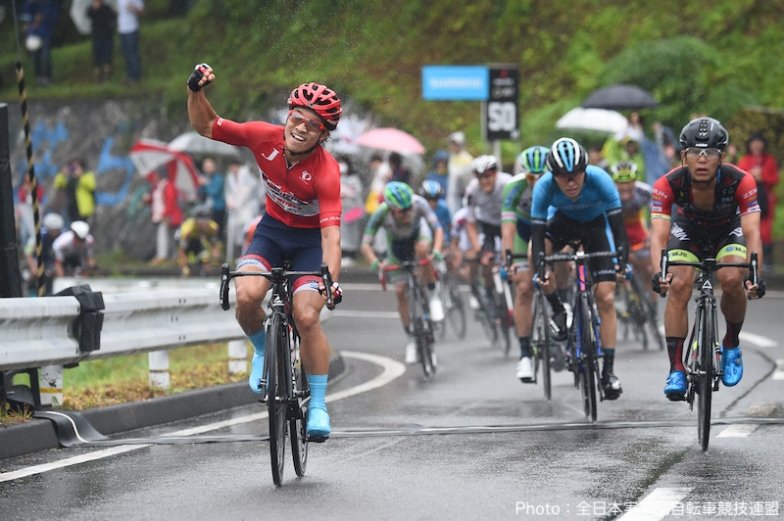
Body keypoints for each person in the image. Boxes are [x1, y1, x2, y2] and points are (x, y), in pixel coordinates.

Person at [187, 65, 344, 439]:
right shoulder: (263, 137)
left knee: (306, 316)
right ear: (288, 115)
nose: (301, 127)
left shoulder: (326, 172)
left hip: (309, 244)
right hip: (271, 233)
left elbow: (331, 238)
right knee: (247, 294)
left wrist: (329, 281)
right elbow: (208, 127)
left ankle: (318, 406)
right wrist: (195, 92)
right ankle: (261, 350)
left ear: (322, 135)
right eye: (298, 118)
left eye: (313, 125)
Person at [650, 118, 765, 400]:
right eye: (694, 152)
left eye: (710, 153)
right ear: (683, 156)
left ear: (722, 157)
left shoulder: (741, 180)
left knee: (731, 277)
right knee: (678, 283)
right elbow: (658, 236)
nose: (702, 160)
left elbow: (752, 233)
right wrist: (659, 273)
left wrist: (754, 275)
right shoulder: (668, 184)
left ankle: (730, 343)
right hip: (688, 231)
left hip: (728, 231)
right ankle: (676, 367)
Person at [530, 137, 629, 400]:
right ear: (553, 175)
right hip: (563, 224)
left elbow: (618, 229)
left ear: (585, 170)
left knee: (606, 298)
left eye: (575, 175)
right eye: (562, 176)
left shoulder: (601, 180)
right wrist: (541, 269)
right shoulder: (543, 188)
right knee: (534, 253)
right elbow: (539, 235)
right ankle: (558, 309)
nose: (570, 182)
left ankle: (608, 372)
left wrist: (622, 262)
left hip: (596, 227)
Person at [360, 182, 444, 364]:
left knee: (423, 251)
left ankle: (432, 293)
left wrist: (436, 250)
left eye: (408, 209)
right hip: (396, 247)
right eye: (401, 211)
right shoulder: (381, 213)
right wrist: (375, 262)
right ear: (391, 210)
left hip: (418, 237)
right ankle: (411, 339)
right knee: (400, 291)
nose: (407, 213)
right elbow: (365, 244)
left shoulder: (419, 203)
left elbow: (437, 228)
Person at [501, 146, 549, 382]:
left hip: (551, 229)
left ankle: (566, 308)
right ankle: (525, 355)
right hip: (524, 232)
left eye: (542, 177)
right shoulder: (514, 188)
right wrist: (509, 259)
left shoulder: (559, 184)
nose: (537, 182)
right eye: (531, 177)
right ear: (524, 175)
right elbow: (508, 230)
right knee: (523, 287)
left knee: (564, 266)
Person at [464, 155, 513, 316]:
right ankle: (489, 292)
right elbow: (470, 222)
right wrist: (478, 249)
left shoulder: (507, 184)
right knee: (487, 260)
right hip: (488, 225)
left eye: (487, 176)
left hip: (509, 221)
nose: (484, 181)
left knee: (512, 254)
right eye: (480, 177)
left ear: (495, 174)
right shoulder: (472, 190)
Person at [737, 133, 779, 272]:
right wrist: (751, 174)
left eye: (759, 142)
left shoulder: (769, 160)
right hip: (749, 199)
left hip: (765, 199)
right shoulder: (745, 159)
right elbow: (739, 177)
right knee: (747, 228)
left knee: (765, 230)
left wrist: (763, 176)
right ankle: (746, 258)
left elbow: (774, 179)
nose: (756, 145)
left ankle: (767, 260)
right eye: (754, 142)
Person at [610, 161, 654, 290]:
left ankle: (650, 302)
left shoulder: (645, 191)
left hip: (636, 228)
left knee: (647, 268)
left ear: (635, 180)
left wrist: (651, 235)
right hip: (615, 228)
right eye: (620, 183)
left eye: (628, 182)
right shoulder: (608, 192)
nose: (624, 187)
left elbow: (656, 216)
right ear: (614, 182)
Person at [143, 168, 183, 264]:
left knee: (172, 236)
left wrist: (164, 214)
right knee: (163, 235)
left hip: (169, 216)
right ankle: (164, 255)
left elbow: (170, 202)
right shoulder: (156, 187)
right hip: (160, 216)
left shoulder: (168, 186)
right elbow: (155, 201)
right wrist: (148, 200)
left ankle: (168, 256)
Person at [224, 159, 262, 262]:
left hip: (247, 208)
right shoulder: (230, 177)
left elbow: (248, 192)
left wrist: (236, 203)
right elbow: (228, 192)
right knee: (234, 233)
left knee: (247, 232)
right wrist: (230, 202)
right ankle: (232, 257)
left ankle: (246, 255)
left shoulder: (246, 175)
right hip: (235, 210)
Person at [176, 204, 221, 276]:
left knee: (205, 257)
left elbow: (214, 245)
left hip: (197, 240)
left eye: (207, 222)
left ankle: (206, 273)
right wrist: (184, 267)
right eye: (202, 222)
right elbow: (182, 250)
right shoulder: (188, 229)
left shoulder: (213, 227)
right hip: (185, 241)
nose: (205, 225)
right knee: (186, 269)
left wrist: (217, 263)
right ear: (196, 221)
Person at [24, 212, 64, 296]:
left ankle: (53, 291)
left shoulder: (63, 235)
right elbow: (28, 252)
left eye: (57, 230)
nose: (55, 233)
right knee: (36, 272)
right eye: (52, 231)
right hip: (38, 259)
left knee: (57, 271)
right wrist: (33, 266)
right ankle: (29, 286)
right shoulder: (39, 236)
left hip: (52, 260)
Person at [22, 0, 59, 87]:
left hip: (45, 34)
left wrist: (43, 18)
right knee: (36, 58)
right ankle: (38, 78)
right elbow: (25, 11)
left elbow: (54, 18)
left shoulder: (50, 5)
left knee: (46, 57)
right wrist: (30, 2)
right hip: (34, 34)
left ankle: (47, 77)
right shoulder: (33, 5)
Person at [53, 159, 97, 226]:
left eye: (76, 166)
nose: (74, 168)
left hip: (83, 209)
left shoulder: (87, 174)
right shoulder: (69, 177)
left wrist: (80, 175)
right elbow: (58, 184)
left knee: (83, 228)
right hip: (71, 208)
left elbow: (91, 185)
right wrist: (62, 174)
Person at [338, 156, 365, 265]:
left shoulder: (353, 178)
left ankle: (351, 254)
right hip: (340, 209)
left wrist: (347, 191)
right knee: (341, 232)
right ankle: (342, 253)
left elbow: (357, 192)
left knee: (351, 233)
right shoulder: (335, 177)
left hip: (352, 209)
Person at [86, 0, 117, 83]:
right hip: (96, 36)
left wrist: (114, 13)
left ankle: (107, 76)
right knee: (97, 57)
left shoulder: (107, 8)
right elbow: (88, 14)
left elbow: (113, 18)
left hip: (107, 35)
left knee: (107, 56)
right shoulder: (91, 8)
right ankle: (99, 77)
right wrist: (94, 9)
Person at [198, 157, 227, 241]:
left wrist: (205, 184)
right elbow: (200, 192)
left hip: (217, 208)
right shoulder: (203, 177)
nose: (208, 169)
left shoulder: (218, 178)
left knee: (216, 229)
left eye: (210, 166)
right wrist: (201, 186)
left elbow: (214, 191)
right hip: (205, 207)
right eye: (206, 167)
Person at [446, 131, 474, 214]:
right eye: (452, 144)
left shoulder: (467, 159)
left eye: (456, 144)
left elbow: (469, 181)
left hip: (462, 196)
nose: (454, 146)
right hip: (453, 196)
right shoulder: (452, 157)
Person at [117, 0, 144, 84]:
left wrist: (132, 8)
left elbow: (142, 10)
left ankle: (135, 77)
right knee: (126, 54)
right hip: (122, 29)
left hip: (131, 28)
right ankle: (129, 76)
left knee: (132, 53)